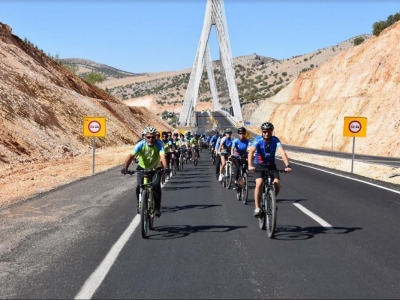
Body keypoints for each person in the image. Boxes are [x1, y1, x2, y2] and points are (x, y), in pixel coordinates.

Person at [121, 126, 169, 218]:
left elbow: (163, 156)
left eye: (153, 137)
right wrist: (125, 168)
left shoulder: (159, 144)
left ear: (156, 137)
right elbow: (131, 156)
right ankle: (140, 204)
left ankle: (157, 208)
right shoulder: (140, 144)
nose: (151, 139)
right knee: (139, 186)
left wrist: (166, 168)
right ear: (144, 137)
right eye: (148, 137)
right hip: (142, 168)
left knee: (155, 186)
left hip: (155, 169)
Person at [247, 122, 292, 217]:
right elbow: (251, 151)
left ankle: (272, 200)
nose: (267, 133)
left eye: (269, 131)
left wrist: (287, 165)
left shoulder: (275, 140)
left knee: (277, 184)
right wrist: (250, 165)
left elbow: (282, 152)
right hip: (259, 165)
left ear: (272, 132)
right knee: (259, 183)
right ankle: (257, 208)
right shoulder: (257, 140)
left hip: (271, 165)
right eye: (265, 131)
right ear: (262, 132)